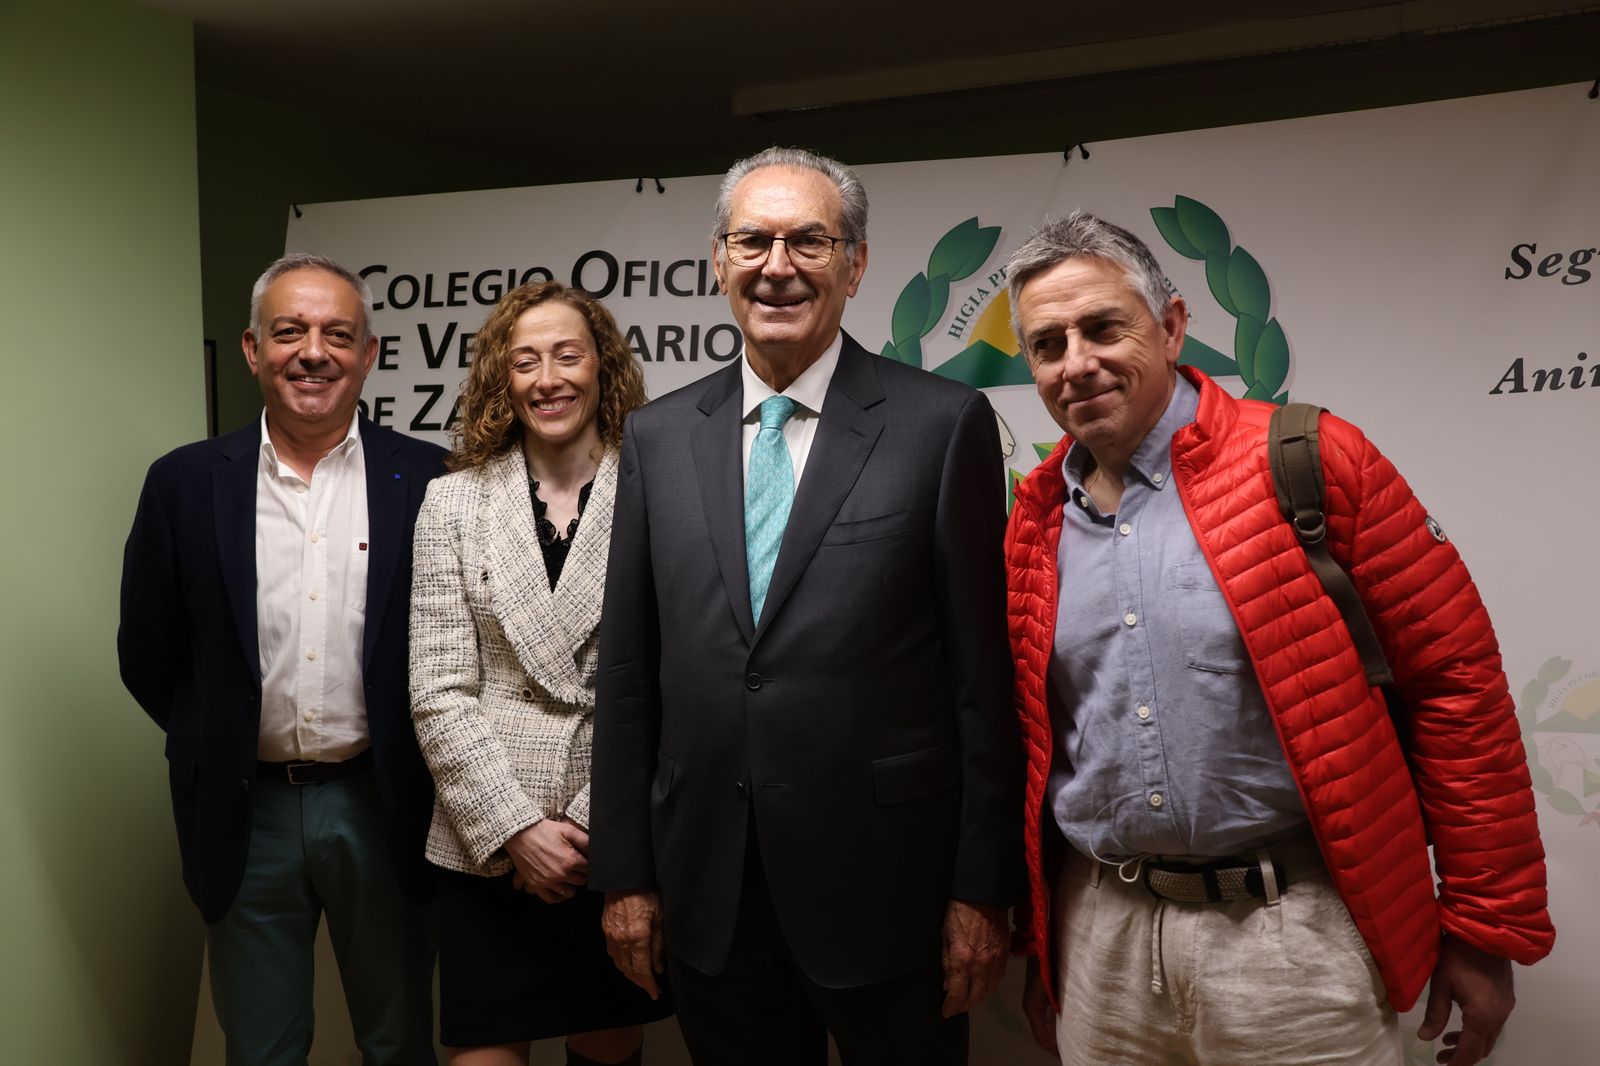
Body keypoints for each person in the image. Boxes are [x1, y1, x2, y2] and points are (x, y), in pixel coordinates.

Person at [1002, 211, 1555, 1066]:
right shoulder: (1034, 520)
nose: (1077, 363)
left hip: (1293, 938)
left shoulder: (1312, 460)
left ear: (1174, 324)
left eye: (1104, 328)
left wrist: (1485, 932)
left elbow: (1456, 686)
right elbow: (1036, 749)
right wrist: (1047, 943)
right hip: (1103, 937)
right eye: (1047, 345)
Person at [587, 146, 1021, 1066]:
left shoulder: (942, 426)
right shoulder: (658, 439)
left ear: (856, 265)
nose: (777, 265)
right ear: (718, 260)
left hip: (891, 893)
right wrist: (624, 875)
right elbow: (627, 676)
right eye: (753, 240)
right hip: (711, 890)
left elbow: (984, 682)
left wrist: (981, 889)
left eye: (809, 242)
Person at [118, 253, 444, 1065]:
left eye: (339, 334)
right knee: (262, 1049)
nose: (313, 352)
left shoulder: (432, 479)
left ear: (370, 355)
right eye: (289, 332)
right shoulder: (185, 483)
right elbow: (146, 650)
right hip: (244, 809)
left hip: (384, 801)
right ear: (252, 349)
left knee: (398, 1041)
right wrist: (218, 731)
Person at [409, 281, 670, 1066]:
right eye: (525, 361)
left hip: (609, 843)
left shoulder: (662, 492)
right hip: (485, 844)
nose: (548, 377)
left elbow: (674, 682)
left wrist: (587, 829)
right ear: (503, 379)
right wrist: (518, 830)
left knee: (606, 1046)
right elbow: (437, 688)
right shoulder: (452, 503)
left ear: (603, 368)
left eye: (567, 355)